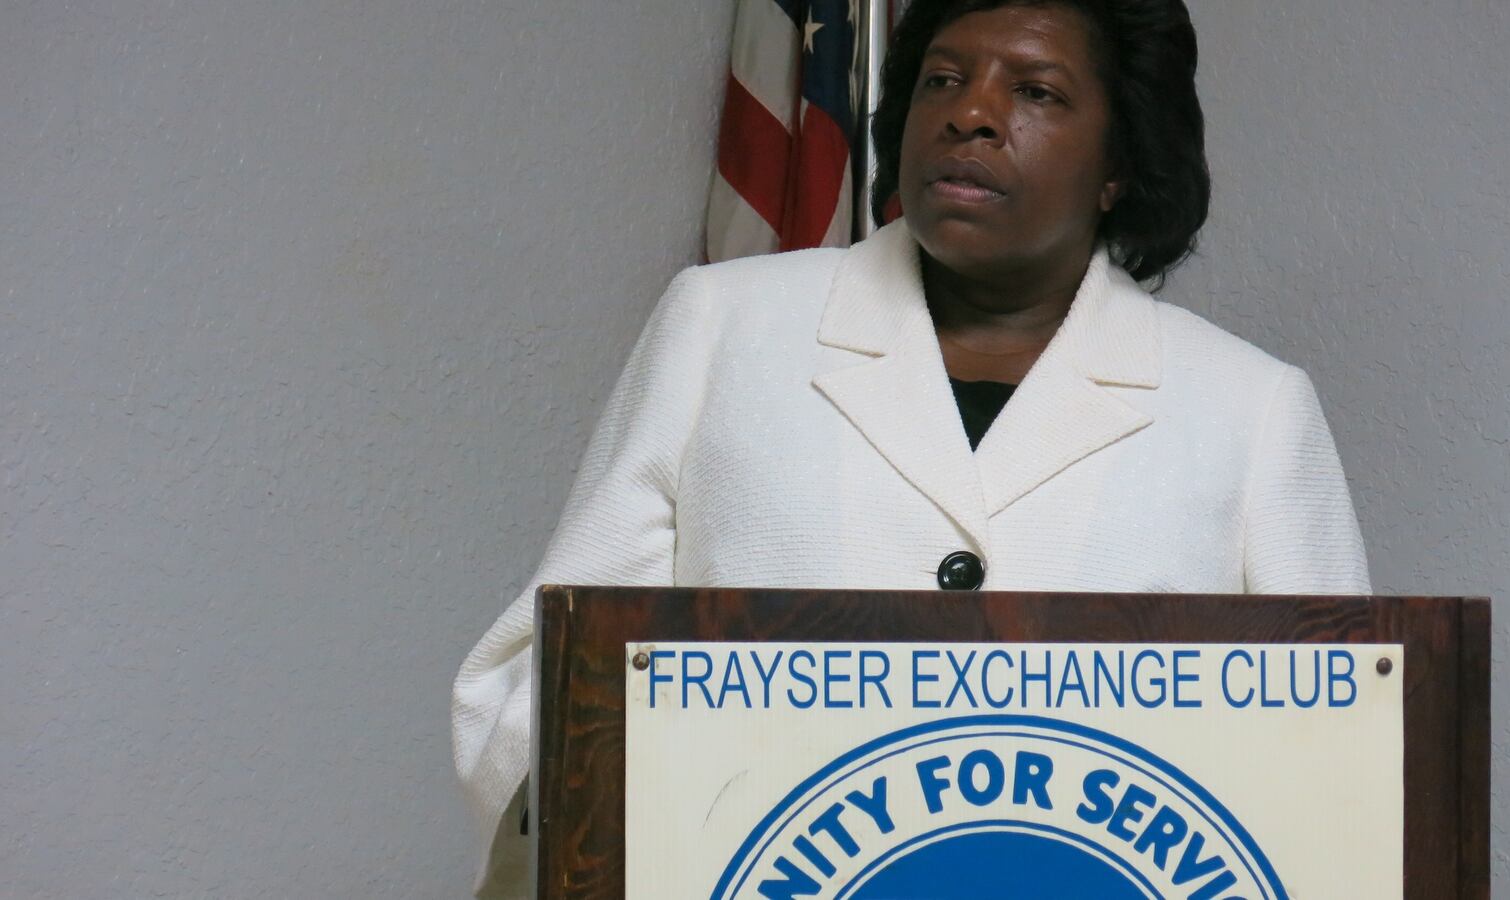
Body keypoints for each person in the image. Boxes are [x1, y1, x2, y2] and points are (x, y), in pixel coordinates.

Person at [453, 0, 1370, 894]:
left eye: (1037, 92)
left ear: (1119, 166)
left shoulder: (1251, 408)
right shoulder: (724, 323)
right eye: (942, 79)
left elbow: (1336, 753)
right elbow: (546, 670)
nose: (969, 113)